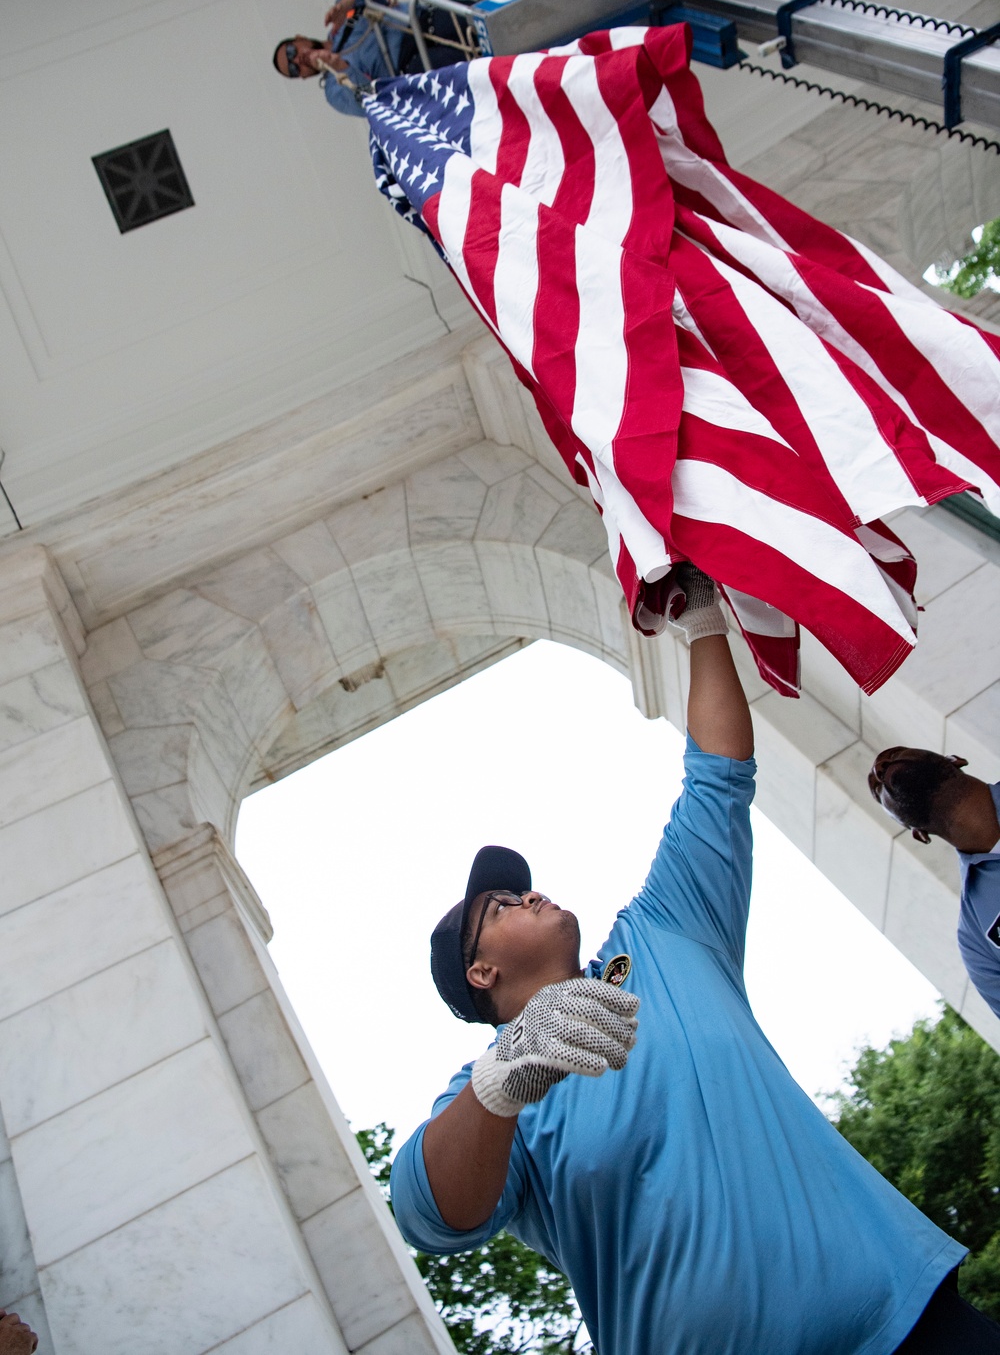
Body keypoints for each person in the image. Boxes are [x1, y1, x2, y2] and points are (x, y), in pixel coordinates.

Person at [391, 566, 1000, 1355]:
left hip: (916, 1326)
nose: (527, 894)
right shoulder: (497, 1098)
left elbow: (716, 780)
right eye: (500, 908)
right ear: (482, 975)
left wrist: (704, 623)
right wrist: (504, 1079)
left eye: (521, 888)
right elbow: (429, 1217)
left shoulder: (662, 936)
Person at [869, 746, 1000, 1020]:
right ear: (918, 835)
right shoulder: (975, 938)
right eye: (876, 786)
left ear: (957, 760)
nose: (879, 769)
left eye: (894, 754)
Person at [272, 0, 468, 116]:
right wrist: (338, 67)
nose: (297, 60)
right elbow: (371, 101)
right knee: (474, 65)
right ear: (303, 77)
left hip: (425, 18)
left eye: (291, 52)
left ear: (299, 38)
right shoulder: (334, 89)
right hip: (415, 66)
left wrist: (349, 1)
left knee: (478, 17)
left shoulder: (343, 18)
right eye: (294, 69)